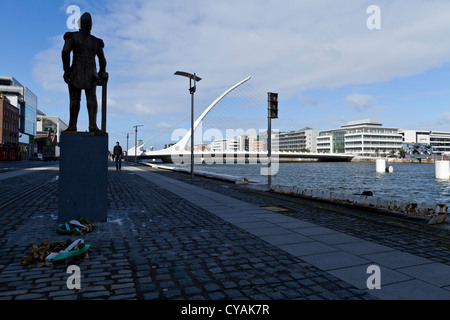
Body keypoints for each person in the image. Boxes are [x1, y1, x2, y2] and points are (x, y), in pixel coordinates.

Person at [61, 12, 107, 132]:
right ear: (90, 25)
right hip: (91, 72)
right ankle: (92, 125)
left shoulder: (73, 36)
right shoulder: (96, 41)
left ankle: (72, 125)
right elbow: (102, 60)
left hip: (76, 71)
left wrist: (66, 70)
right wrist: (102, 73)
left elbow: (65, 52)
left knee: (75, 98)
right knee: (91, 98)